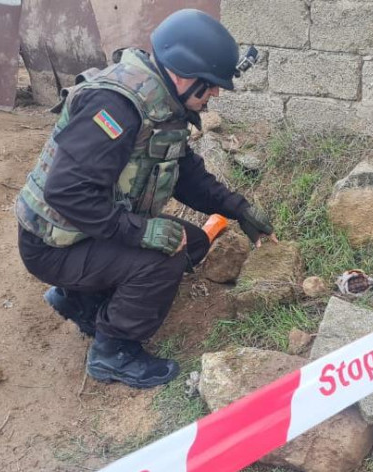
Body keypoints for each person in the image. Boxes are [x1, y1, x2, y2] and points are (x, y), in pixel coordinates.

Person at [15, 9, 274, 389]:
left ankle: (77, 300)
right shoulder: (115, 107)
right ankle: (113, 351)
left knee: (194, 243)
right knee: (162, 260)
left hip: (84, 232)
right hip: (52, 246)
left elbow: (186, 174)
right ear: (184, 74)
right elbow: (66, 191)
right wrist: (141, 233)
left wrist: (238, 208)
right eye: (210, 85)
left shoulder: (161, 101)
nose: (216, 93)